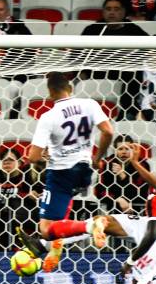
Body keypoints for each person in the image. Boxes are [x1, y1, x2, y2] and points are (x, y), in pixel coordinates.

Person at [17, 72, 115, 272]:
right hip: (85, 172)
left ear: (50, 92)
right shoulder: (90, 104)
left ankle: (90, 226)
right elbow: (109, 131)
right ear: (70, 88)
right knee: (60, 214)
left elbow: (33, 157)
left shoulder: (49, 116)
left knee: (46, 229)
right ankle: (53, 249)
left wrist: (45, 156)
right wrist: (98, 159)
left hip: (61, 173)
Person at [95, 135, 149, 215]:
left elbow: (142, 192)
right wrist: (117, 199)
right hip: (113, 209)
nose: (124, 152)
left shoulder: (142, 165)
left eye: (127, 149)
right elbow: (99, 191)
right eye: (120, 149)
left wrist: (123, 175)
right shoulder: (107, 164)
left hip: (137, 209)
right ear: (115, 150)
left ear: (132, 149)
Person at [80, 0, 149, 36]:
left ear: (123, 12)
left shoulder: (133, 29)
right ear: (103, 12)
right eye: (108, 9)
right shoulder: (91, 29)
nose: (112, 13)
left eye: (116, 9)